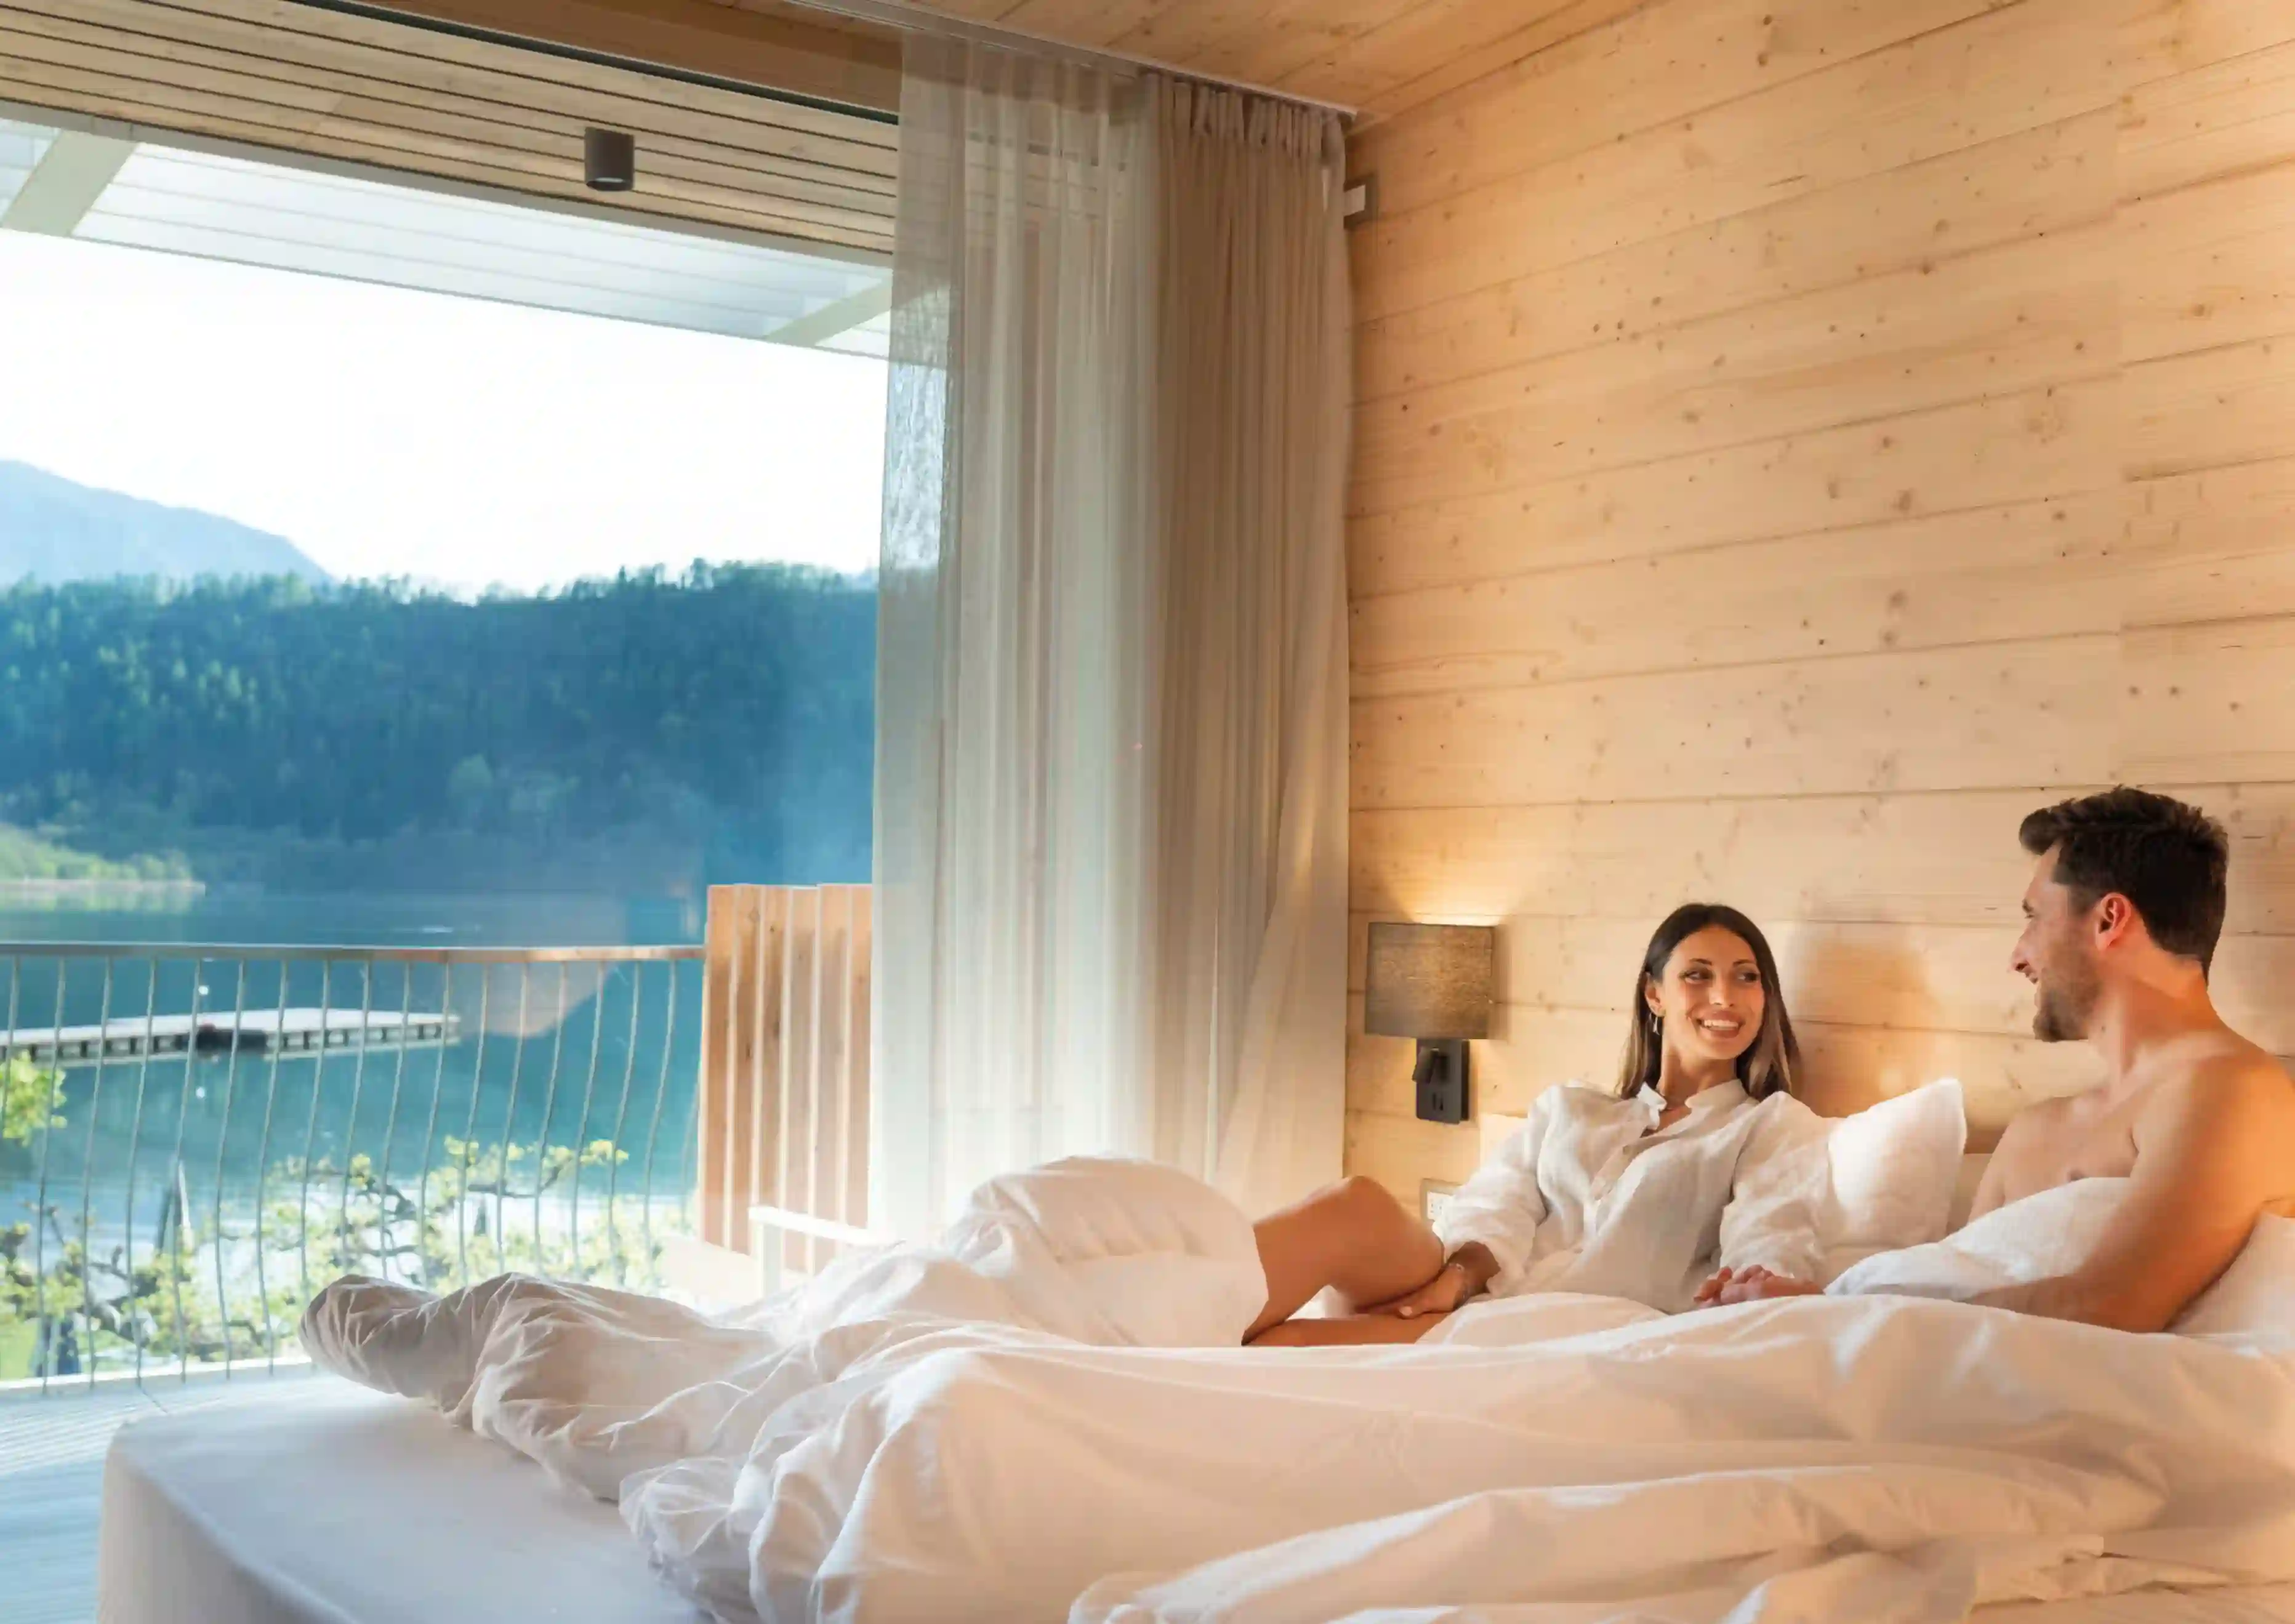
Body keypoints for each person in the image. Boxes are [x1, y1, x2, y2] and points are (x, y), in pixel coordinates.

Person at [1701, 787, 2295, 1332]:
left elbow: (2112, 1308)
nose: (2019, 957)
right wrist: (1815, 1302)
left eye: (2034, 917)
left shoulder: (2234, 1091)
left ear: (2109, 920)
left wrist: (1835, 1314)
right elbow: (1949, 1297)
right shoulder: (2036, 1131)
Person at [1248, 903, 1830, 1346]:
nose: (1725, 996)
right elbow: (1498, 1201)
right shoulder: (1571, 1109)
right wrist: (1457, 1278)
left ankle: (1165, 1348)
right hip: (1472, 1292)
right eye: (1698, 975)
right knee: (1358, 1203)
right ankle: (1164, 1311)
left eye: (1747, 977)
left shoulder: (1768, 1125)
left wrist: (1763, 1284)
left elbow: (1774, 1233)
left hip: (1565, 1330)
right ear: (1654, 994)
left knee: (1280, 1347)